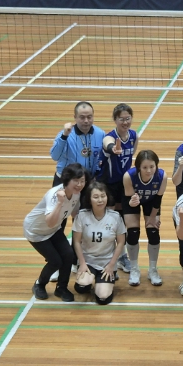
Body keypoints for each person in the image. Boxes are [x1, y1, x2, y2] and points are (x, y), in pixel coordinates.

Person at [24, 163, 90, 302]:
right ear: (67, 180)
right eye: (76, 181)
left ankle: (61, 288)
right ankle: (39, 284)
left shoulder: (76, 194)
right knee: (55, 261)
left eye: (82, 181)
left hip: (54, 229)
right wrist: (60, 203)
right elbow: (50, 222)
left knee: (68, 254)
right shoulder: (55, 195)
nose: (79, 184)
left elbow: (75, 213)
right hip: (36, 231)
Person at [50, 101, 105, 235]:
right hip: (65, 182)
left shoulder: (100, 134)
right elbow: (54, 156)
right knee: (59, 219)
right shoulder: (65, 134)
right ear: (75, 117)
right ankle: (58, 247)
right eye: (82, 117)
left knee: (83, 219)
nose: (86, 121)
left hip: (86, 183)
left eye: (89, 117)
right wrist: (64, 136)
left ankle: (78, 247)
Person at [72, 181, 127, 305]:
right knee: (82, 286)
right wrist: (82, 263)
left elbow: (121, 242)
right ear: (89, 199)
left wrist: (112, 265)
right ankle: (92, 279)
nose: (100, 200)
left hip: (107, 262)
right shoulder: (82, 216)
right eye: (96, 197)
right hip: (88, 261)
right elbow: (76, 241)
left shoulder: (115, 217)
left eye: (103, 196)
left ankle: (102, 282)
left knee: (103, 298)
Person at [100, 103, 137, 274]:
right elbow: (107, 143)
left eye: (127, 118)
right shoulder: (110, 137)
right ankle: (106, 256)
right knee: (109, 222)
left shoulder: (134, 136)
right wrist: (112, 148)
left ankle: (122, 257)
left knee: (122, 222)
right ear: (115, 120)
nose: (125, 122)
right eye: (121, 119)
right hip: (109, 185)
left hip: (124, 184)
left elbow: (131, 156)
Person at [122, 150, 167, 287]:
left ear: (156, 165)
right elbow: (129, 201)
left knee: (153, 233)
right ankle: (134, 269)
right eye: (145, 167)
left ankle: (152, 270)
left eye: (152, 167)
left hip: (151, 201)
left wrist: (152, 218)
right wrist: (133, 202)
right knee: (133, 233)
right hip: (132, 201)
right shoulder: (129, 176)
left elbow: (158, 199)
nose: (148, 171)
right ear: (138, 167)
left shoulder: (162, 176)